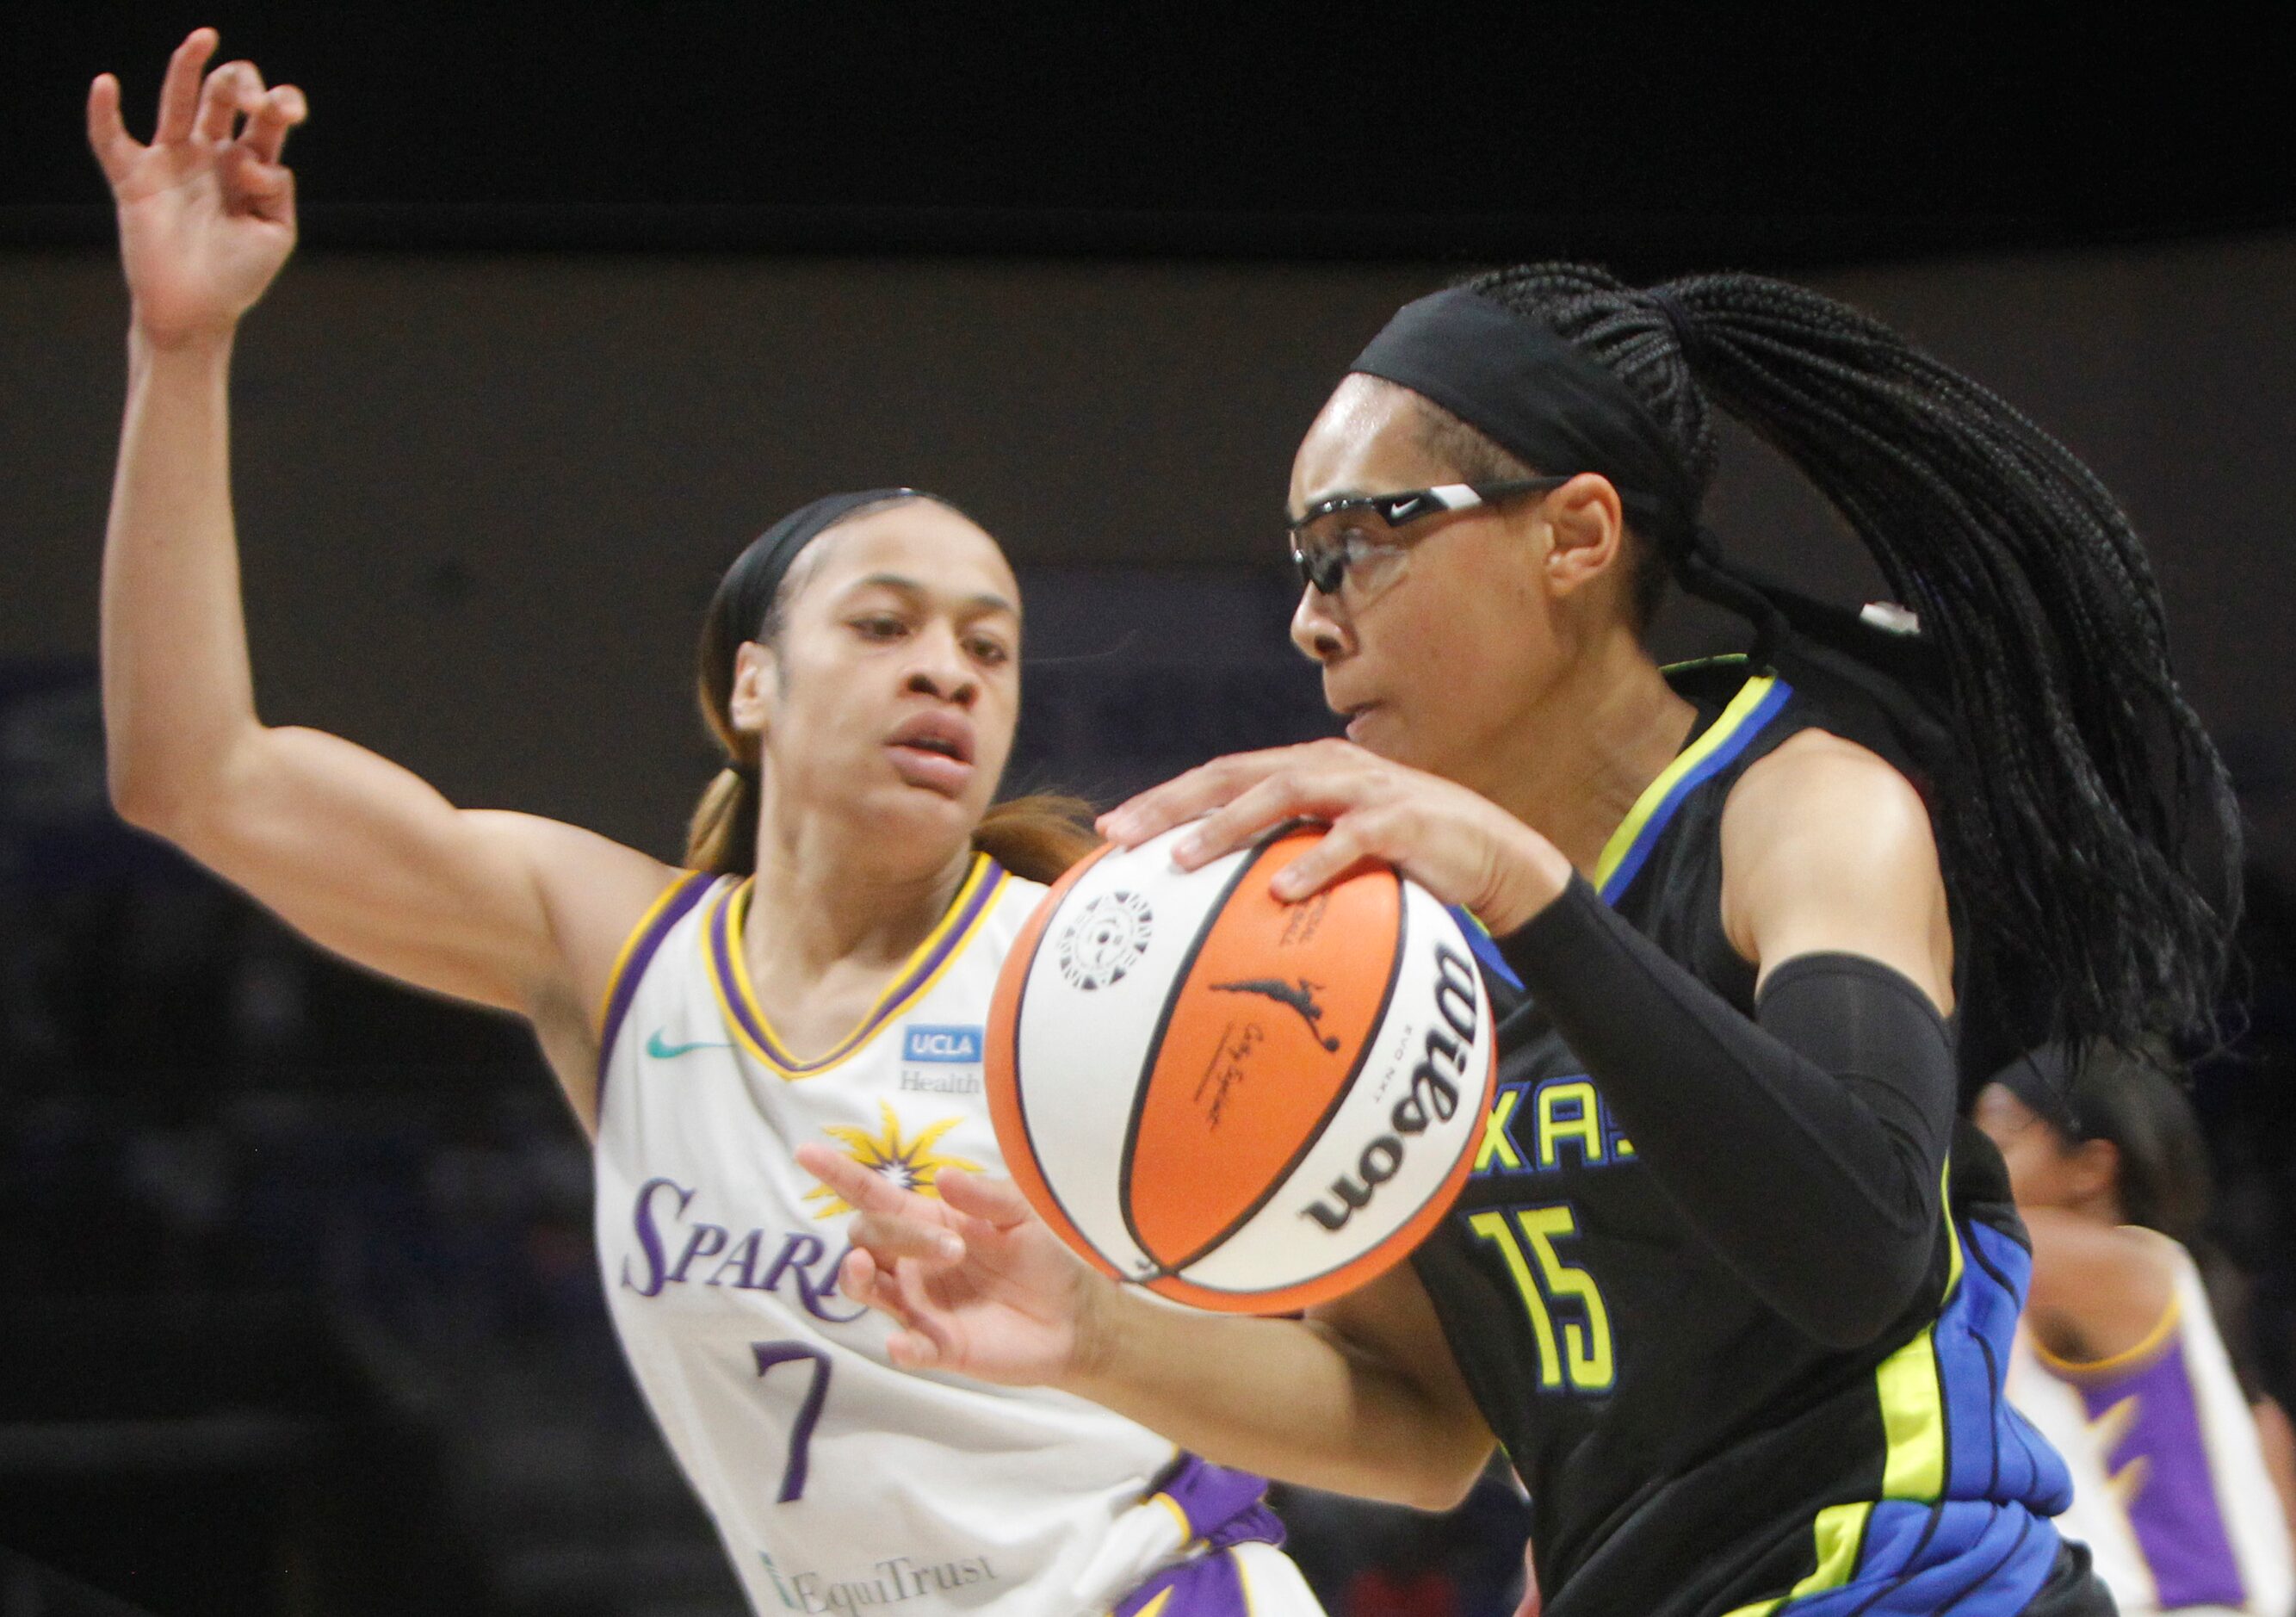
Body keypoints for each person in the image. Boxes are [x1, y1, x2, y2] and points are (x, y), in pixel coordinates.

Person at [85, 29, 1322, 1616]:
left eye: (988, 642)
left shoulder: (1090, 957)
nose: (946, 664)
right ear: (751, 680)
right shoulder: (616, 952)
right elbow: (193, 773)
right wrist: (177, 350)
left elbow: (1337, 1360)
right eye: (884, 624)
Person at [806, 263, 2243, 1617]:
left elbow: (1862, 1244)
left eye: (1359, 539)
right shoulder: (1390, 946)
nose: (1311, 618)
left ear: (1575, 534)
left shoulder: (1801, 808)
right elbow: (1427, 1425)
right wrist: (1095, 1336)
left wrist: (1535, 896)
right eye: (1301, 562)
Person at [1979, 1046, 2296, 1617]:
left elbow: (1914, 1233)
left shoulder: (2115, 1267)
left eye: (1996, 1143)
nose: (1969, 1166)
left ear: (2091, 1168)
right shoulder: (2173, 1294)